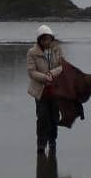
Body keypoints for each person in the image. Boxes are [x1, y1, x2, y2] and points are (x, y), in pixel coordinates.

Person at [25, 25, 66, 155]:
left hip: (55, 89)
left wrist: (51, 74)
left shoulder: (57, 50)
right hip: (40, 91)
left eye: (49, 39)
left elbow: (62, 66)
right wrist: (44, 77)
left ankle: (52, 142)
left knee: (54, 117)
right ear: (39, 40)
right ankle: (41, 144)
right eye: (44, 39)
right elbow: (31, 72)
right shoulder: (32, 52)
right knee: (42, 118)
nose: (47, 42)